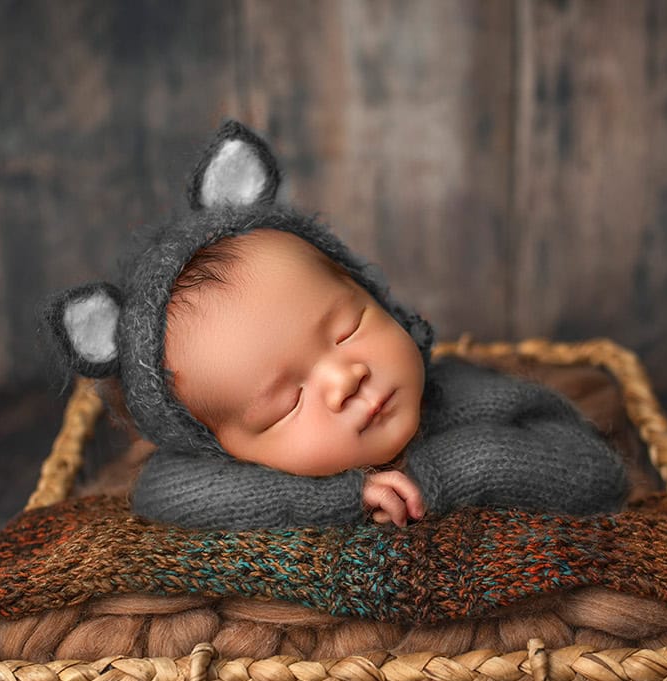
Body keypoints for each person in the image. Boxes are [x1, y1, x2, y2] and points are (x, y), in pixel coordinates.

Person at [43, 120, 627, 530]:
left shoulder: (466, 399)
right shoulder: (226, 477)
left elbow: (594, 472)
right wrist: (340, 496)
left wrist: (446, 474)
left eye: (347, 329)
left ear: (378, 299)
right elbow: (162, 493)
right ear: (224, 451)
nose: (344, 379)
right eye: (286, 403)